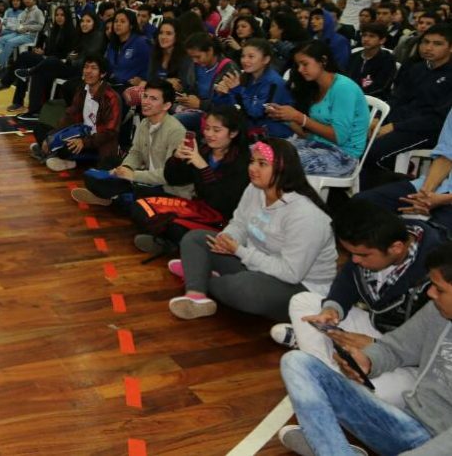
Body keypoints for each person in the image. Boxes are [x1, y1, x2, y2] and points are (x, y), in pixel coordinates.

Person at [277, 242, 452, 456]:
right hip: (406, 425)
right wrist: (367, 361)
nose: (431, 293)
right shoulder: (437, 311)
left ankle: (324, 445)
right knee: (296, 362)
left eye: (440, 289)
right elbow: (394, 349)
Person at [272, 200, 441, 407]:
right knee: (303, 301)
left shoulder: (438, 275)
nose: (354, 260)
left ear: (396, 248)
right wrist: (332, 309)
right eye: (350, 253)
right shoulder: (376, 241)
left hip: (408, 357)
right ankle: (328, 371)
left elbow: (434, 347)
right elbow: (347, 281)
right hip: (375, 328)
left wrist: (375, 345)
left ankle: (319, 356)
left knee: (379, 394)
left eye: (362, 255)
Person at [167, 139, 336, 321]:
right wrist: (226, 238)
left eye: (262, 164)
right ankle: (196, 294)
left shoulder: (306, 216)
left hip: (299, 286)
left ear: (282, 169)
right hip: (256, 264)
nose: (252, 168)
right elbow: (239, 223)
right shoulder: (255, 189)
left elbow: (290, 273)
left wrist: (239, 251)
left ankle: (198, 273)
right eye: (252, 161)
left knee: (243, 289)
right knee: (195, 239)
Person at [132, 105, 251, 257]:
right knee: (140, 203)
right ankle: (171, 243)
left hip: (221, 221)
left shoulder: (242, 162)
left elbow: (221, 203)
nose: (209, 134)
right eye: (207, 128)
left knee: (177, 228)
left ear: (233, 133)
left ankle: (171, 242)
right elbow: (174, 179)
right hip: (198, 209)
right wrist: (177, 158)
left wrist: (202, 166)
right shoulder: (205, 150)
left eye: (216, 130)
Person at [72, 78, 190, 207]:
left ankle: (115, 198)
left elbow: (168, 175)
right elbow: (136, 153)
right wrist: (126, 168)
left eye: (153, 99)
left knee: (136, 199)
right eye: (145, 96)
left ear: (166, 105)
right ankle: (114, 196)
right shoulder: (145, 123)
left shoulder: (176, 131)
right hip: (146, 176)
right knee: (104, 166)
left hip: (167, 189)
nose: (146, 102)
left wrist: (133, 175)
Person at [362, 24, 452, 188]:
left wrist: (394, 127)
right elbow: (396, 99)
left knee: (373, 153)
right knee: (357, 142)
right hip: (400, 123)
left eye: (437, 44)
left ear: (450, 48)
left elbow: (437, 119)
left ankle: (393, 190)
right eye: (425, 42)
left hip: (428, 130)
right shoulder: (416, 68)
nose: (428, 48)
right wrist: (379, 119)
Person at [266, 40, 370, 177]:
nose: (300, 70)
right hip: (316, 144)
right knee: (260, 152)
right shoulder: (315, 87)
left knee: (273, 163)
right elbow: (310, 134)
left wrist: (298, 117)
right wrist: (284, 117)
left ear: (323, 61)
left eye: (305, 64)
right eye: (298, 65)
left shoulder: (343, 88)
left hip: (343, 155)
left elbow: (339, 137)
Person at [356, 107, 452, 238]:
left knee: (432, 236)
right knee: (361, 205)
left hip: (446, 199)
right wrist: (425, 193)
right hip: (441, 188)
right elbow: (446, 156)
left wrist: (443, 200)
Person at [28, 56, 123, 171]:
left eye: (93, 68)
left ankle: (54, 154)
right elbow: (70, 116)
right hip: (81, 133)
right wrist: (51, 137)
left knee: (66, 149)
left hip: (98, 143)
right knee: (39, 128)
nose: (88, 71)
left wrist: (84, 142)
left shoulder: (111, 98)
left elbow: (110, 132)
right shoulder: (83, 89)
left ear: (102, 74)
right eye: (86, 67)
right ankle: (51, 151)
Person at [213, 38, 294, 139]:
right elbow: (232, 108)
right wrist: (222, 94)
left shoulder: (273, 83)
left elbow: (257, 114)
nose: (245, 60)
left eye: (251, 56)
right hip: (250, 129)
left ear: (266, 59)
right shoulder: (247, 77)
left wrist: (237, 90)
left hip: (273, 135)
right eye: (243, 56)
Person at [173, 32, 239, 131]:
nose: (194, 61)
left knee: (175, 121)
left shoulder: (229, 69)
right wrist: (185, 97)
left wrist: (201, 104)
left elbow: (229, 106)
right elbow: (188, 87)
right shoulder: (193, 66)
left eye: (198, 57)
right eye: (192, 57)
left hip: (214, 116)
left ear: (210, 51)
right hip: (193, 109)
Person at [346, 22, 397, 101]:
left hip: (374, 101)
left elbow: (381, 88)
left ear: (382, 40)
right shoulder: (354, 56)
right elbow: (346, 79)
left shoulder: (387, 59)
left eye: (371, 36)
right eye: (364, 35)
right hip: (350, 97)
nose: (366, 39)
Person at [0, 0, 45, 69]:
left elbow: (41, 26)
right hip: (19, 33)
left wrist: (27, 27)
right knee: (1, 40)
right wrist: (18, 27)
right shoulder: (24, 12)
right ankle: (0, 62)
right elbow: (19, 24)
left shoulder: (38, 12)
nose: (27, 0)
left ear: (34, 1)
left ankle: (1, 65)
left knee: (10, 42)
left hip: (29, 35)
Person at [105, 9, 151, 91]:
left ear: (131, 25)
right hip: (113, 86)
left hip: (132, 89)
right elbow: (108, 67)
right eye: (116, 21)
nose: (118, 24)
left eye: (122, 22)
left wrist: (143, 80)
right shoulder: (112, 44)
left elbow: (151, 66)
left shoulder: (141, 42)